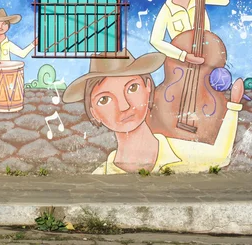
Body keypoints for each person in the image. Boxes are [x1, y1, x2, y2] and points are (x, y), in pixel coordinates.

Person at [62, 50, 244, 175]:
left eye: (132, 88)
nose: (124, 106)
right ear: (93, 112)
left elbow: (220, 156)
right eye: (105, 99)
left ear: (148, 87)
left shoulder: (176, 151)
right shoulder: (101, 175)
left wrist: (234, 105)